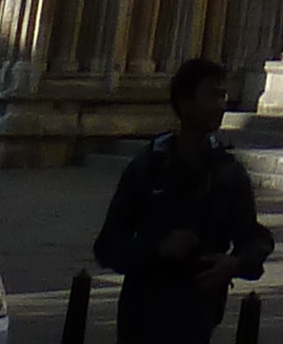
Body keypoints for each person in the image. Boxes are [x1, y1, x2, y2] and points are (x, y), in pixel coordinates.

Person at [92, 58, 272, 344]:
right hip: (143, 313)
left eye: (223, 95)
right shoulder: (149, 166)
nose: (220, 105)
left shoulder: (228, 173)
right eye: (212, 95)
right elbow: (108, 244)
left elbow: (253, 237)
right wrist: (157, 250)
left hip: (198, 314)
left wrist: (234, 264)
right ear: (185, 103)